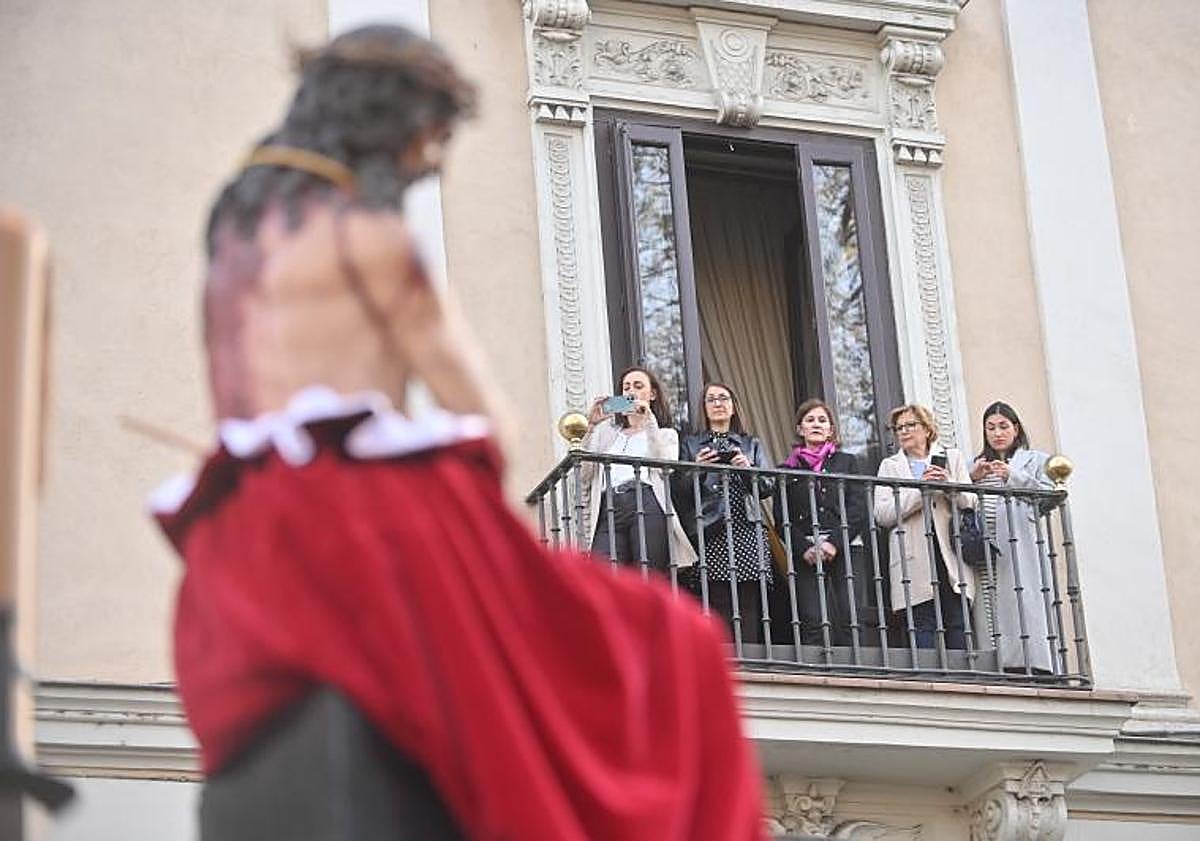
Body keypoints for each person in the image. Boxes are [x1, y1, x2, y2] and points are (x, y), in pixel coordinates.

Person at [151, 25, 763, 841]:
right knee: (673, 643)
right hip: (374, 533)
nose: (432, 164)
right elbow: (486, 419)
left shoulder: (230, 236)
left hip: (243, 547)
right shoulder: (372, 239)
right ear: (390, 125)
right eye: (431, 140)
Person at [675, 382, 773, 645]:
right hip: (710, 529)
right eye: (711, 399)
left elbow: (766, 488)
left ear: (733, 407)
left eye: (723, 398)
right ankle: (724, 661)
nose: (718, 403)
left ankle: (749, 661)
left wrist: (748, 467)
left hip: (746, 529)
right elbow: (679, 492)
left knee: (749, 600)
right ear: (704, 409)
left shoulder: (750, 443)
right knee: (717, 602)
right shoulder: (691, 443)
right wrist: (697, 468)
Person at [873, 405, 976, 651]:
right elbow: (883, 514)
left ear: (927, 429)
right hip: (913, 558)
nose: (904, 432)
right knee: (921, 625)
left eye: (911, 425)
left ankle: (963, 683)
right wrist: (921, 491)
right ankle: (929, 680)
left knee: (958, 621)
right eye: (899, 428)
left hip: (949, 554)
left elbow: (971, 501)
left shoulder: (952, 458)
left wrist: (949, 484)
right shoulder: (890, 466)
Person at [969, 401, 1058, 674]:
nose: (997, 433)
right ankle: (996, 665)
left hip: (1020, 545)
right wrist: (971, 479)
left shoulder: (1035, 460)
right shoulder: (977, 464)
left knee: (1022, 605)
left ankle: (1032, 666)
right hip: (985, 548)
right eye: (990, 428)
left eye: (1003, 426)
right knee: (990, 607)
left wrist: (1013, 475)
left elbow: (1048, 498)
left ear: (1016, 429)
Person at [582, 367, 696, 575]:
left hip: (646, 502)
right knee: (602, 576)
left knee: (648, 576)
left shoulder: (665, 434)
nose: (630, 392)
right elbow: (585, 475)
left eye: (638, 386)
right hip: (609, 507)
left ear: (652, 394)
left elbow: (664, 466)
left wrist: (648, 418)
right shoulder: (607, 434)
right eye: (626, 388)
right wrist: (591, 426)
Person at [774, 399, 869, 648]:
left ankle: (855, 677)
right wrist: (804, 548)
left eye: (822, 420)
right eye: (810, 420)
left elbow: (858, 508)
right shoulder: (786, 469)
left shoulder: (847, 462)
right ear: (800, 429)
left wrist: (833, 543)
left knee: (851, 615)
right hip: (805, 550)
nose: (816, 424)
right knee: (812, 619)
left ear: (830, 430)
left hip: (845, 545)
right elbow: (781, 518)